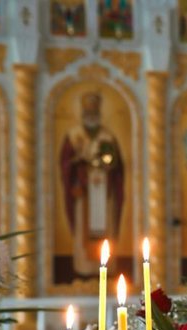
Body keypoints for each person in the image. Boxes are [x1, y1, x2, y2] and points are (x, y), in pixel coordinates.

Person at [59, 92, 124, 277]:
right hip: (83, 192)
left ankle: (107, 267)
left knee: (105, 227)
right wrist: (75, 165)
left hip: (104, 191)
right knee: (84, 227)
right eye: (88, 109)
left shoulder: (108, 136)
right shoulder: (73, 136)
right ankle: (84, 267)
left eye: (94, 109)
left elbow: (118, 167)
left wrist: (109, 165)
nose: (91, 112)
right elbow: (65, 164)